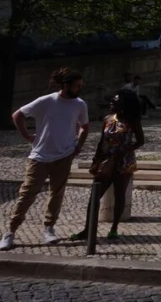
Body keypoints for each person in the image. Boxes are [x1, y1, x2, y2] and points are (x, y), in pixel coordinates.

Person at [1, 68, 90, 251]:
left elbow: (85, 126)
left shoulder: (80, 104)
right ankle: (10, 231)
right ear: (66, 86)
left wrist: (78, 146)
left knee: (56, 193)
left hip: (64, 155)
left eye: (81, 86)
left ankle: (49, 228)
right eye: (77, 86)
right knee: (27, 194)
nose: (80, 89)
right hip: (40, 156)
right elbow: (18, 115)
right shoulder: (47, 101)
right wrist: (27, 137)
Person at [70, 89, 144, 241]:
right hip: (106, 160)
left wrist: (125, 151)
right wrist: (96, 160)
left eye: (115, 101)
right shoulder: (107, 119)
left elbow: (140, 141)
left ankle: (114, 228)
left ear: (124, 104)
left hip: (123, 162)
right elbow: (102, 140)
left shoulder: (132, 121)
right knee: (95, 195)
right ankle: (88, 229)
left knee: (119, 194)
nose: (111, 103)